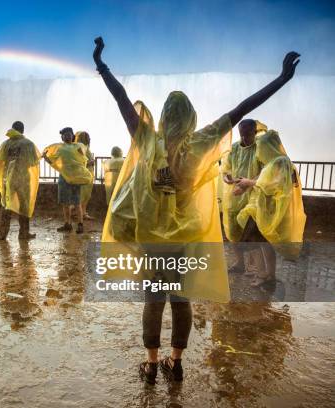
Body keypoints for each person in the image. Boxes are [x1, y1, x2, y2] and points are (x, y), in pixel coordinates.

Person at [93, 35, 300, 384]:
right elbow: (241, 109)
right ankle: (176, 362)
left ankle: (151, 363)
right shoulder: (201, 142)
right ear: (190, 118)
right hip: (187, 239)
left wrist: (101, 64)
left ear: (162, 117)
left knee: (153, 300)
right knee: (181, 300)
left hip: (152, 240)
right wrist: (281, 79)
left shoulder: (146, 139)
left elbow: (121, 98)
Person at [236, 130, 306, 286]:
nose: (258, 152)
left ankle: (262, 274)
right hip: (265, 210)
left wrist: (249, 183)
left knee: (254, 242)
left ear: (268, 147)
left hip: (266, 211)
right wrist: (247, 183)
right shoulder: (280, 162)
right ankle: (270, 275)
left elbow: (271, 185)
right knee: (264, 243)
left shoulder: (279, 162)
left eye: (260, 147)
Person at [221, 120, 266, 273]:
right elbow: (226, 168)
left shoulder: (260, 148)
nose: (244, 138)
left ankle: (254, 267)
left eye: (248, 134)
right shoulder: (234, 148)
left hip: (253, 197)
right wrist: (227, 177)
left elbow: (267, 171)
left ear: (255, 132)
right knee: (233, 232)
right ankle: (240, 263)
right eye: (242, 134)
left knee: (251, 234)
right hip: (234, 196)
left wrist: (249, 183)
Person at [0, 121, 41, 240]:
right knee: (24, 206)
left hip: (8, 179)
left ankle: (2, 233)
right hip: (23, 178)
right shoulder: (28, 144)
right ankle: (24, 233)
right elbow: (34, 162)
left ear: (12, 129)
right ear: (23, 130)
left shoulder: (5, 144)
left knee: (6, 205)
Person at [43, 127, 93, 233]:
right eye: (65, 135)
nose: (67, 136)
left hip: (75, 178)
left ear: (72, 136)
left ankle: (80, 224)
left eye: (69, 134)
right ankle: (67, 224)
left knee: (77, 202)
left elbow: (83, 159)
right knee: (65, 203)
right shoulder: (60, 149)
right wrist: (45, 158)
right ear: (62, 137)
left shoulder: (78, 146)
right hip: (64, 178)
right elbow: (54, 160)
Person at [75, 131, 96, 220]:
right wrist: (89, 163)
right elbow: (78, 162)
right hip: (84, 175)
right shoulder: (80, 148)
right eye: (87, 137)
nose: (89, 139)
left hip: (88, 174)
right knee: (83, 195)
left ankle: (83, 212)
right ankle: (81, 213)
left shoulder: (86, 147)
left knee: (86, 195)